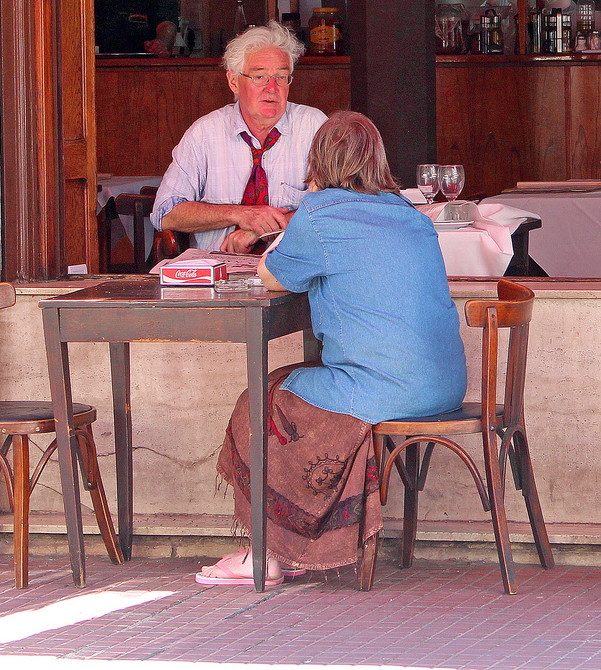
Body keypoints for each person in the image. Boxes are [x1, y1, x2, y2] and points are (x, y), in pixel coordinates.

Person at [197, 110, 467, 585]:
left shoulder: (319, 214)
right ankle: (293, 543)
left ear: (317, 161)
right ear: (378, 160)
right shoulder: (410, 214)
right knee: (301, 384)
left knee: (266, 399)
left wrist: (297, 219)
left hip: (382, 391)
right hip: (445, 387)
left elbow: (271, 276)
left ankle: (269, 551)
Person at [153, 22, 328, 252]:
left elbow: (343, 204)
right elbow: (165, 212)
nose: (272, 87)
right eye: (259, 76)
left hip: (294, 271)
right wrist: (240, 214)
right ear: (233, 82)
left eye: (282, 77)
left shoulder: (315, 127)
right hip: (217, 273)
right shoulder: (205, 133)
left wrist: (273, 225)